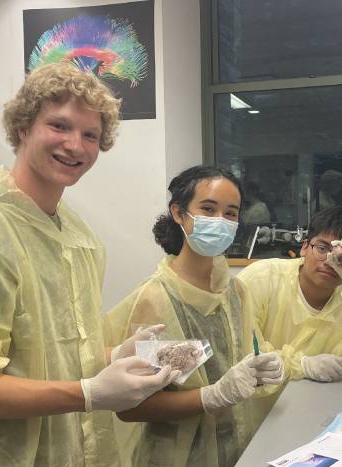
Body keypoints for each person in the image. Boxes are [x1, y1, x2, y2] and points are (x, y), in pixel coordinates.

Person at [0, 62, 178, 466]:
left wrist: (112, 355)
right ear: (22, 127)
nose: (75, 145)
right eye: (60, 126)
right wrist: (88, 393)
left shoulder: (76, 237)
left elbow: (48, 355)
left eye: (90, 135)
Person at [104, 165, 284, 467]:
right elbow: (132, 407)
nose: (220, 221)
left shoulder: (235, 292)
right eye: (208, 209)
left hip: (234, 447)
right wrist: (212, 395)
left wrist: (261, 367)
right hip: (174, 456)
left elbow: (233, 366)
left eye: (231, 213)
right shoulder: (158, 299)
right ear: (178, 213)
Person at [238, 207, 342, 390]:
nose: (329, 261)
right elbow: (241, 353)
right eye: (322, 248)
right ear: (304, 247)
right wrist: (302, 366)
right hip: (257, 410)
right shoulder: (261, 278)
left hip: (313, 404)